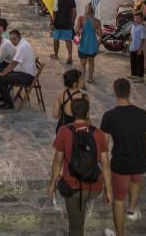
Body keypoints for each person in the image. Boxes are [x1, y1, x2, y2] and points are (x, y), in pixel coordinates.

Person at [48, 97, 113, 236]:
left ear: (71, 112)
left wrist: (52, 183)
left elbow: (58, 160)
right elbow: (106, 164)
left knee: (75, 227)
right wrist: (108, 189)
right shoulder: (98, 133)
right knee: (80, 217)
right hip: (93, 187)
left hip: (72, 187)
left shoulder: (64, 131)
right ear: (88, 113)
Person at [101, 78, 146, 236]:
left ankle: (120, 234)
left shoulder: (109, 116)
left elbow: (104, 144)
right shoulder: (142, 114)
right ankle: (131, 208)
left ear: (115, 92)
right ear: (130, 91)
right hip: (140, 162)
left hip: (121, 165)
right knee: (136, 180)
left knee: (118, 200)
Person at [0, 28, 37, 110]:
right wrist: (4, 71)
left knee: (0, 78)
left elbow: (14, 63)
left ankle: (8, 103)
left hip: (27, 76)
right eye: (11, 39)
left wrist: (4, 73)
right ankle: (4, 96)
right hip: (24, 72)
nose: (13, 41)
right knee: (0, 73)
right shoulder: (22, 43)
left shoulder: (22, 46)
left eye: (14, 39)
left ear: (19, 37)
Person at [53, 68, 87, 133]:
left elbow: (55, 114)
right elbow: (87, 117)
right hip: (78, 129)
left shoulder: (61, 95)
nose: (83, 81)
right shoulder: (84, 97)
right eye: (81, 79)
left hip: (63, 128)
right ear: (75, 83)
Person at [52, 0, 76, 65]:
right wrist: (72, 21)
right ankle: (70, 56)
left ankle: (56, 55)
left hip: (58, 22)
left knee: (56, 38)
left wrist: (52, 22)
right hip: (67, 22)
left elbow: (54, 11)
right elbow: (74, 11)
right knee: (68, 39)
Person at [75, 3, 101, 84]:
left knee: (82, 63)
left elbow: (76, 31)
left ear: (85, 9)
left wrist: (80, 31)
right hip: (93, 45)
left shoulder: (81, 19)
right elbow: (100, 34)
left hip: (83, 44)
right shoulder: (97, 21)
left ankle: (82, 80)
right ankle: (90, 78)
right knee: (91, 62)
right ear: (93, 10)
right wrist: (95, 30)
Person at [128, 12, 146, 82]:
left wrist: (140, 49)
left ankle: (140, 77)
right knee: (133, 62)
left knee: (139, 63)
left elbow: (142, 39)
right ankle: (134, 75)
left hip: (138, 49)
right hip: (132, 47)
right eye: (135, 18)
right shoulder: (133, 26)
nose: (136, 19)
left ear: (141, 19)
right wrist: (130, 39)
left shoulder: (142, 28)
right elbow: (131, 35)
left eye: (138, 18)